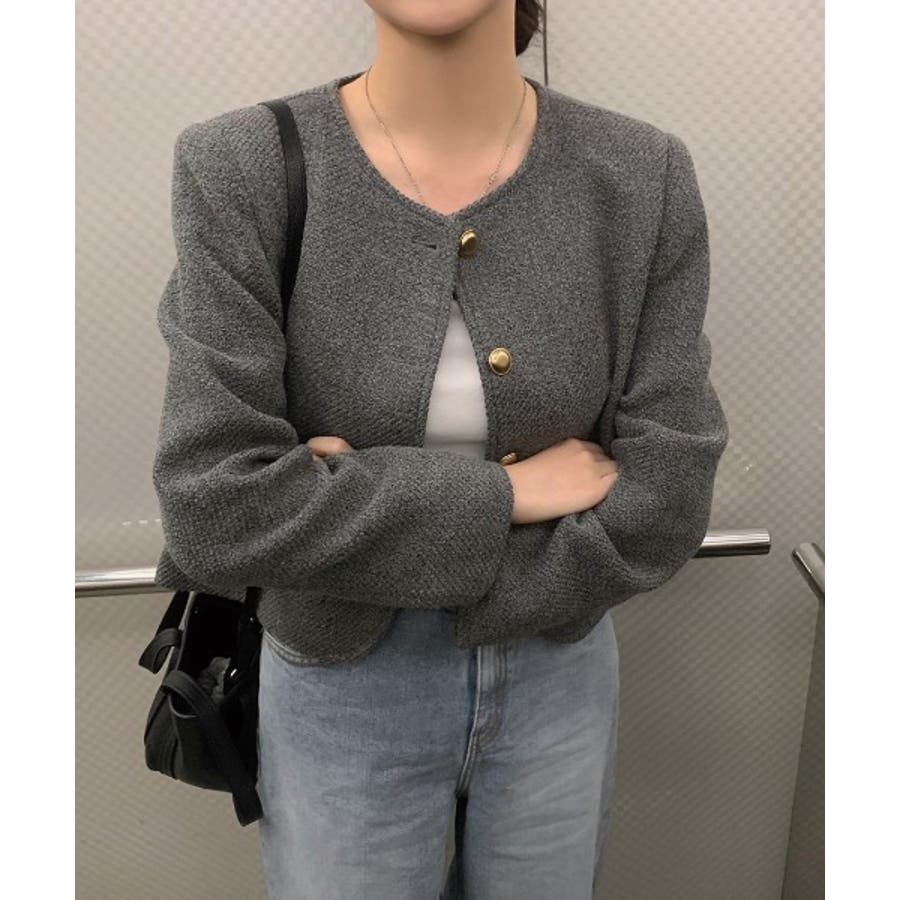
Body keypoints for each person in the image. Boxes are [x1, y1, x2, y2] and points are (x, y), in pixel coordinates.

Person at [151, 1, 729, 897]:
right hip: (338, 685)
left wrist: (340, 493)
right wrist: (515, 496)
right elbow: (215, 507)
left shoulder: (639, 173)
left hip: (560, 673)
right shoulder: (241, 166)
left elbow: (671, 488)